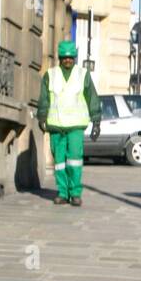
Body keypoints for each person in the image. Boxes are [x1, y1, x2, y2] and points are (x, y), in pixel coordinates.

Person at [37, 40, 100, 206]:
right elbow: (44, 98)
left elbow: (92, 97)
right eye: (64, 58)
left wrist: (96, 120)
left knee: (74, 160)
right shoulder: (50, 75)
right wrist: (41, 116)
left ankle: (75, 193)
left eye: (71, 57)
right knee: (59, 163)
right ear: (59, 58)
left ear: (75, 58)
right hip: (56, 126)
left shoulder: (83, 74)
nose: (67, 60)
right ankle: (62, 192)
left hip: (75, 126)